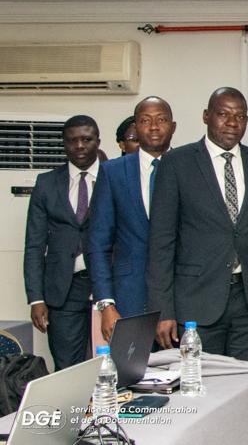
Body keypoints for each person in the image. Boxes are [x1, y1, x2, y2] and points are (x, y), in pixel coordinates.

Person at [147, 87, 248, 369]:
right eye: (223, 114)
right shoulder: (177, 163)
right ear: (206, 116)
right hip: (196, 304)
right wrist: (163, 310)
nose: (232, 122)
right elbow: (161, 242)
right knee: (202, 387)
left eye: (240, 116)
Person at [88, 97, 176, 341]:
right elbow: (98, 244)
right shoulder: (113, 172)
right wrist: (106, 304)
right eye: (145, 121)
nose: (154, 127)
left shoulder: (190, 168)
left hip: (180, 303)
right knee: (131, 367)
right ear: (136, 127)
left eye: (161, 120)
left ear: (173, 126)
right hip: (128, 301)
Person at [24, 115, 101, 370]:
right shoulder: (46, 183)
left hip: (108, 285)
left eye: (86, 139)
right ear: (64, 144)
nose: (79, 146)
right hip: (64, 290)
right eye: (72, 140)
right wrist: (36, 298)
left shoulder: (115, 177)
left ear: (97, 141)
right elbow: (34, 245)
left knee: (114, 366)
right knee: (68, 368)